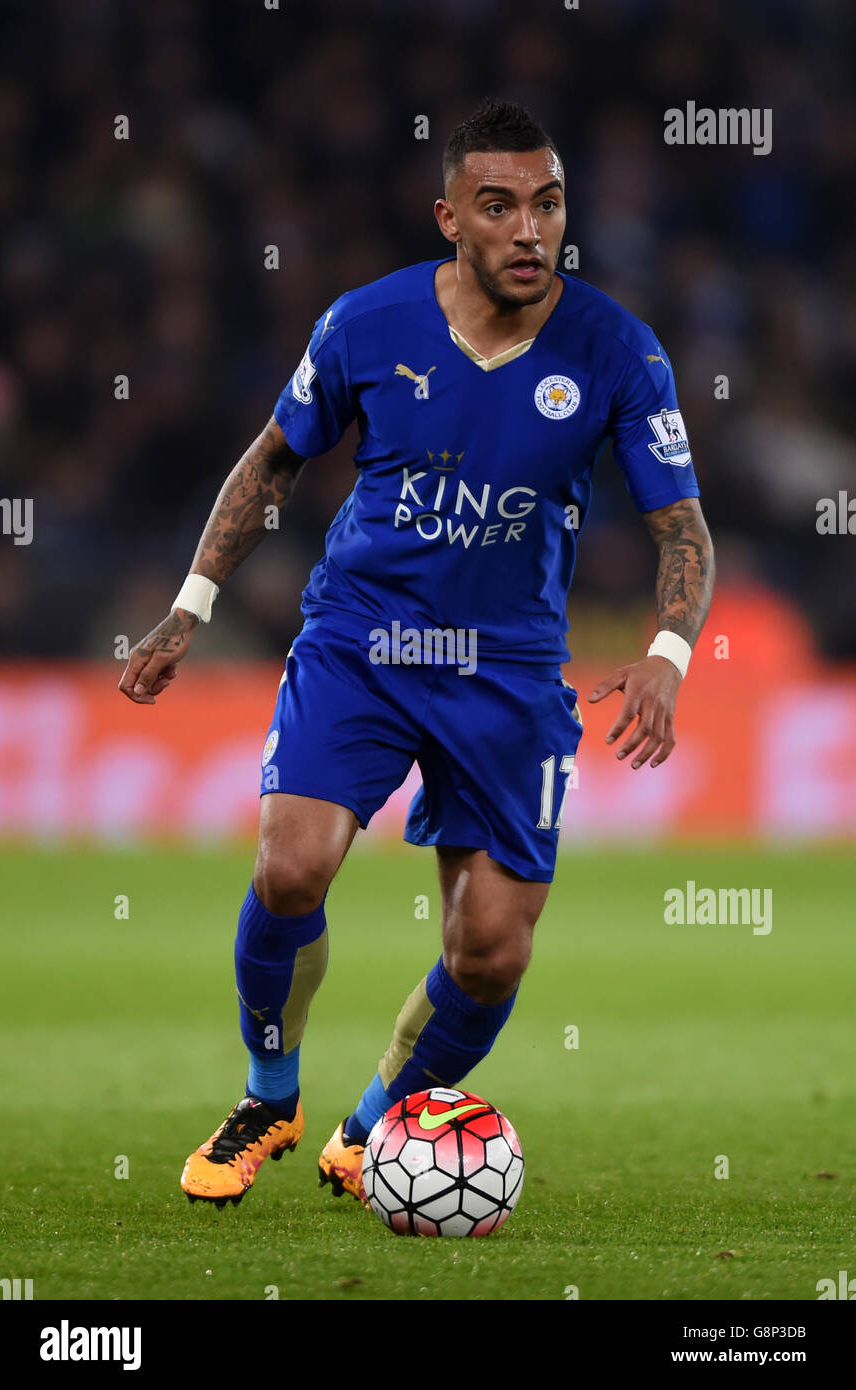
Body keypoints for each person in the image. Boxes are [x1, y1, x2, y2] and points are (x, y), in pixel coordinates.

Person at [119, 98, 715, 1209]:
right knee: (290, 862)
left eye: (546, 203)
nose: (528, 229)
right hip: (364, 640)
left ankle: (371, 1126)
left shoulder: (618, 350)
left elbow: (679, 528)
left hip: (506, 671)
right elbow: (271, 464)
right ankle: (269, 1094)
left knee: (490, 948)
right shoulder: (365, 325)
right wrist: (191, 605)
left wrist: (669, 653)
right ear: (449, 217)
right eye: (499, 206)